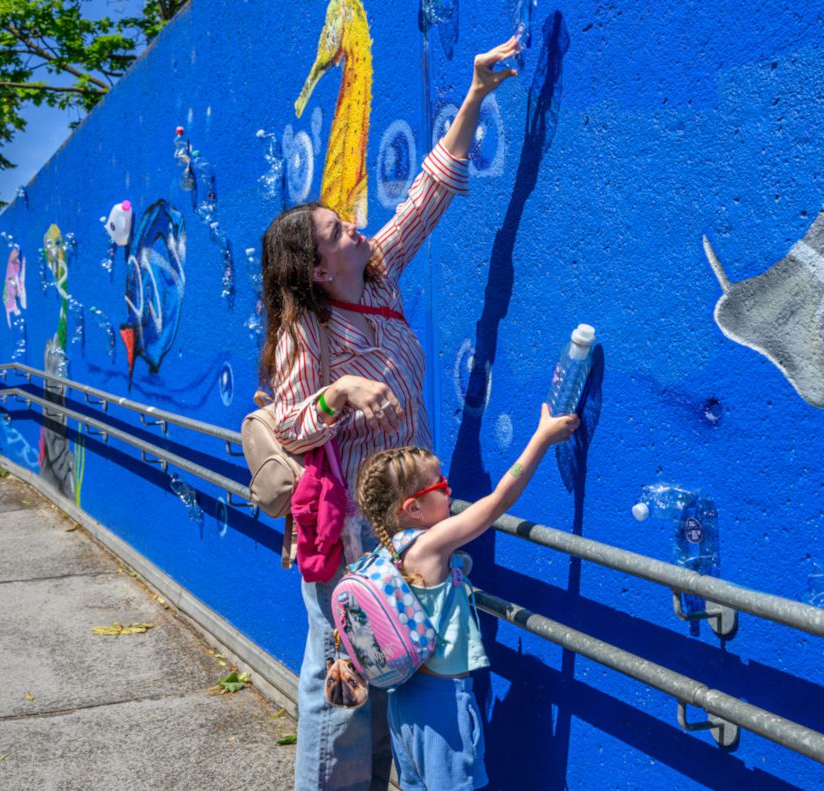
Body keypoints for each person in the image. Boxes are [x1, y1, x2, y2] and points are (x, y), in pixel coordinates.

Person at [258, 36, 523, 791]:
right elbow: (292, 423)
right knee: (342, 688)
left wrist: (474, 95)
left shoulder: (374, 273)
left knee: (398, 666)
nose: (353, 226)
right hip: (347, 532)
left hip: (401, 523)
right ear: (315, 267)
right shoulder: (306, 328)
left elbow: (429, 193)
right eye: (336, 230)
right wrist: (340, 394)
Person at [354, 404, 579, 791]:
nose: (449, 488)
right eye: (439, 485)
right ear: (414, 509)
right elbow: (499, 502)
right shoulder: (430, 545)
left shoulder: (388, 552)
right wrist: (541, 439)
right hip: (441, 706)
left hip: (403, 702)